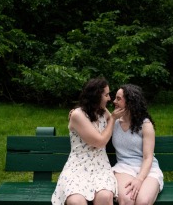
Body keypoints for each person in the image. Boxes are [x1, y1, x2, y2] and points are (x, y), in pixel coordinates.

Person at [52, 77, 124, 205]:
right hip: (78, 166)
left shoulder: (102, 111)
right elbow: (100, 142)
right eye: (106, 95)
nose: (109, 98)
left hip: (100, 165)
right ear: (96, 96)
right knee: (76, 201)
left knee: (105, 197)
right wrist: (112, 119)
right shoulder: (78, 115)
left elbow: (119, 121)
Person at [111, 84, 163, 205]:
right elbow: (92, 118)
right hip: (124, 167)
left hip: (147, 169)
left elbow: (148, 157)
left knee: (143, 201)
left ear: (130, 102)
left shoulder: (145, 125)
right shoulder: (113, 121)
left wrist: (139, 179)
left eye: (118, 99)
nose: (114, 101)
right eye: (115, 98)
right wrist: (75, 112)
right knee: (127, 200)